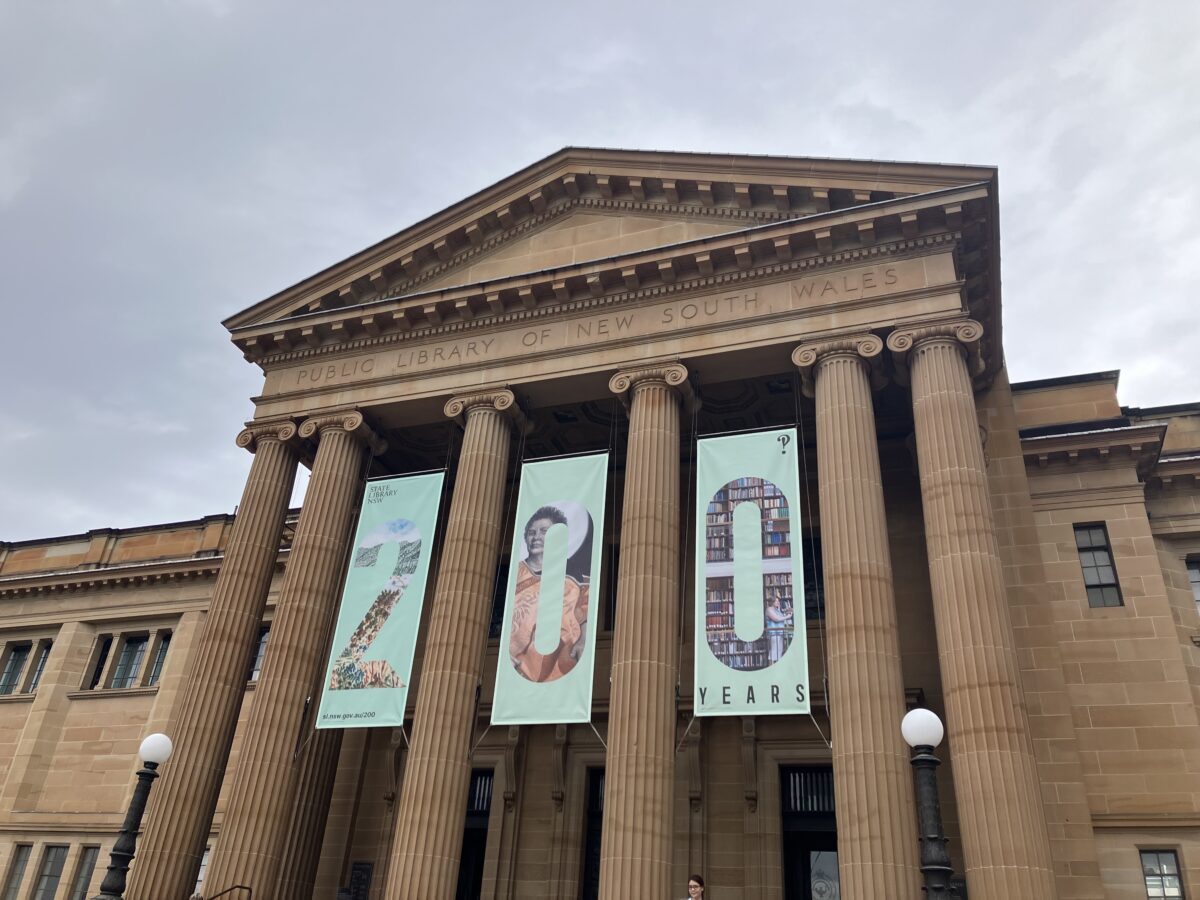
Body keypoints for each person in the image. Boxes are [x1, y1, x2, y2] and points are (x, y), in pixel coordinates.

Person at [509, 506, 590, 682]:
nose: (536, 536)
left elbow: (585, 611)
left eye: (544, 531)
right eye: (531, 532)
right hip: (517, 664)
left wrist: (584, 640)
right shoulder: (515, 574)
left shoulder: (575, 575)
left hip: (562, 660)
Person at [764, 591, 793, 664]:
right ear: (772, 602)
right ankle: (771, 667)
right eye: (776, 601)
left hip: (780, 633)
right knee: (774, 651)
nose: (778, 602)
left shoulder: (776, 609)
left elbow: (781, 617)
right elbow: (776, 619)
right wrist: (788, 616)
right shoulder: (769, 609)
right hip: (773, 633)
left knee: (779, 651)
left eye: (778, 601)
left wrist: (787, 612)